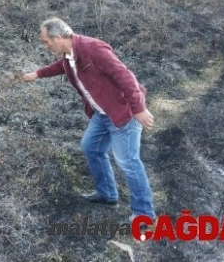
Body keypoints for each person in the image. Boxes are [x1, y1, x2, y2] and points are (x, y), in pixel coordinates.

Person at [16, 17, 156, 221]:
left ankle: (144, 215)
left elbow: (125, 77)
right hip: (102, 114)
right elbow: (61, 67)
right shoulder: (69, 55)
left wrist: (139, 108)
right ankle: (107, 194)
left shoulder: (93, 48)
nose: (45, 46)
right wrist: (36, 74)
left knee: (128, 161)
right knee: (91, 147)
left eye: (46, 41)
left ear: (58, 38)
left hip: (122, 113)